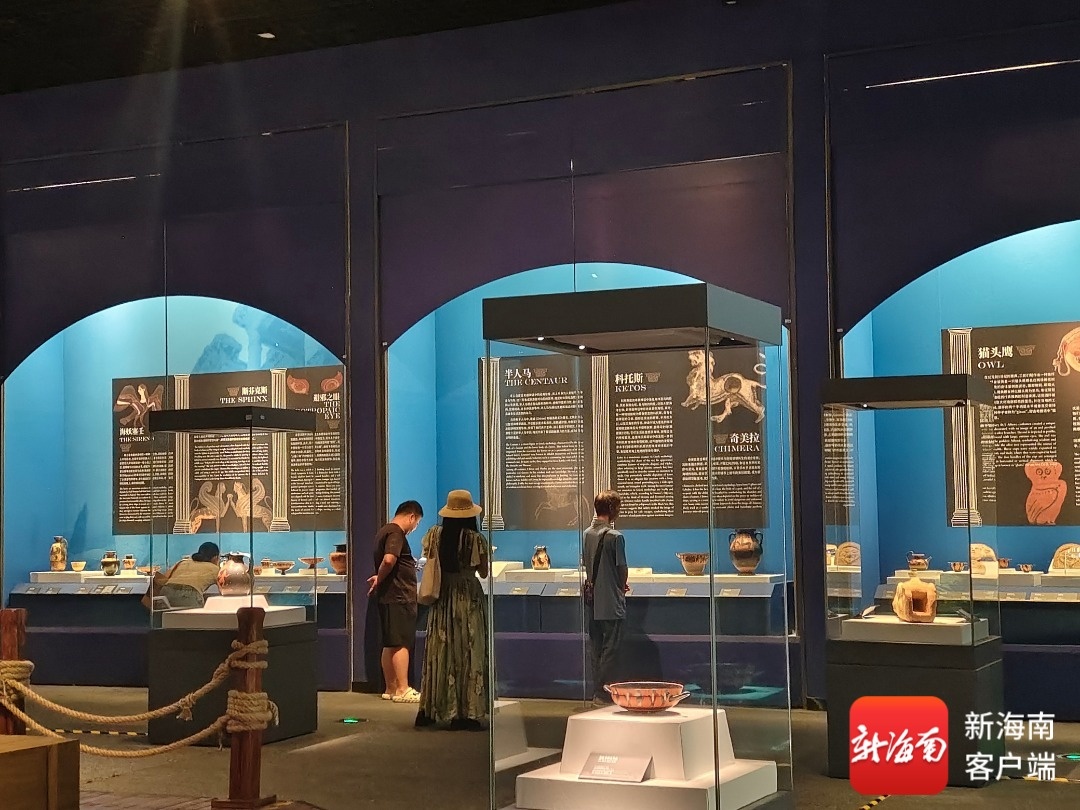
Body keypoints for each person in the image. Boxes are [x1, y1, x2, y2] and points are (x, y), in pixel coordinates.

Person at [415, 489, 490, 731]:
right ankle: (466, 713)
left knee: (441, 650)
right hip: (467, 597)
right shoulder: (474, 539)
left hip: (442, 596)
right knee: (468, 649)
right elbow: (483, 572)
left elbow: (428, 560)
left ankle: (431, 709)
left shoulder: (434, 535)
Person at [368, 500, 424, 703]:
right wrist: (381, 578)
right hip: (400, 595)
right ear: (411, 516)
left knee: (390, 642)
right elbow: (389, 559)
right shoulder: (396, 533)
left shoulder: (383, 531)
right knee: (401, 642)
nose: (414, 527)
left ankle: (390, 687)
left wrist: (379, 578)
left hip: (388, 596)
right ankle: (402, 688)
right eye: (416, 523)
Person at [583, 490, 628, 704]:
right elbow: (622, 569)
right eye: (617, 507)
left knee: (596, 648)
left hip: (593, 601)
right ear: (611, 509)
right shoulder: (615, 537)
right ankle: (604, 692)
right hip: (610, 601)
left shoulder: (586, 534)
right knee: (611, 648)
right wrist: (621, 586)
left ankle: (597, 692)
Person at [159, 541, 221, 608]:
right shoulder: (214, 569)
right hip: (188, 595)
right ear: (215, 557)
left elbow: (164, 578)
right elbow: (225, 587)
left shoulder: (183, 562)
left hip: (166, 592)